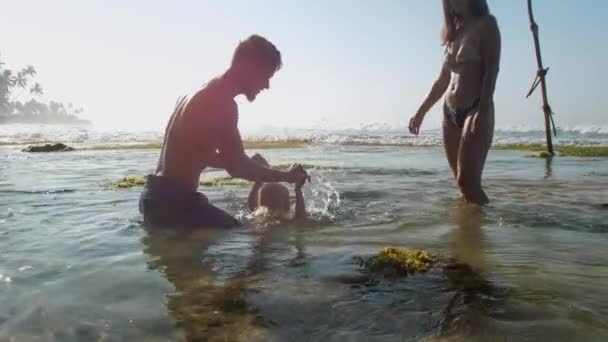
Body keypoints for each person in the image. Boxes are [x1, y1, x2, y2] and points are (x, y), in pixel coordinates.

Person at [139, 35, 309, 228]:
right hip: (175, 203)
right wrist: (287, 176)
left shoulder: (196, 93)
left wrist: (243, 162)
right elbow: (237, 168)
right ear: (249, 67)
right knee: (246, 232)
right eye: (265, 76)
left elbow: (197, 154)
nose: (266, 86)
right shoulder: (221, 102)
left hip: (153, 197)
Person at [408, 0, 500, 204]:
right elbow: (442, 80)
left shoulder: (487, 25)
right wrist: (421, 112)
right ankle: (469, 231)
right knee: (461, 185)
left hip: (475, 109)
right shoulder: (452, 32)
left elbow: (492, 71)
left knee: (467, 183)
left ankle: (491, 223)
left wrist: (482, 111)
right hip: (449, 113)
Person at [247, 154, 308, 221]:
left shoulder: (256, 217)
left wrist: (260, 178)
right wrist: (298, 189)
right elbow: (301, 217)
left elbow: (252, 204)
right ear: (287, 205)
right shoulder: (288, 220)